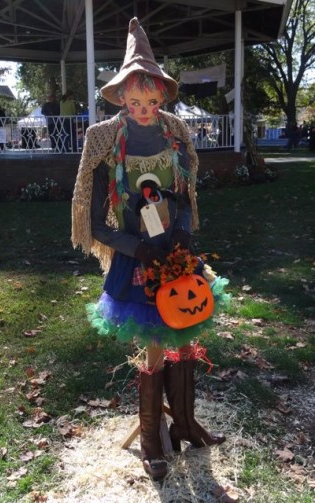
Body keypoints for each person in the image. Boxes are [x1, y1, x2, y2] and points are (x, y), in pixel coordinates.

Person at [71, 18, 228, 480]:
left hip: (175, 251)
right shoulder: (103, 139)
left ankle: (183, 422)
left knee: (185, 329)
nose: (144, 108)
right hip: (137, 256)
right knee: (155, 342)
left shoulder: (174, 132)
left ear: (162, 96)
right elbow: (96, 222)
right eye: (134, 100)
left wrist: (180, 230)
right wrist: (135, 248)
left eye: (152, 100)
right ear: (120, 98)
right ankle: (152, 435)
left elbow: (183, 191)